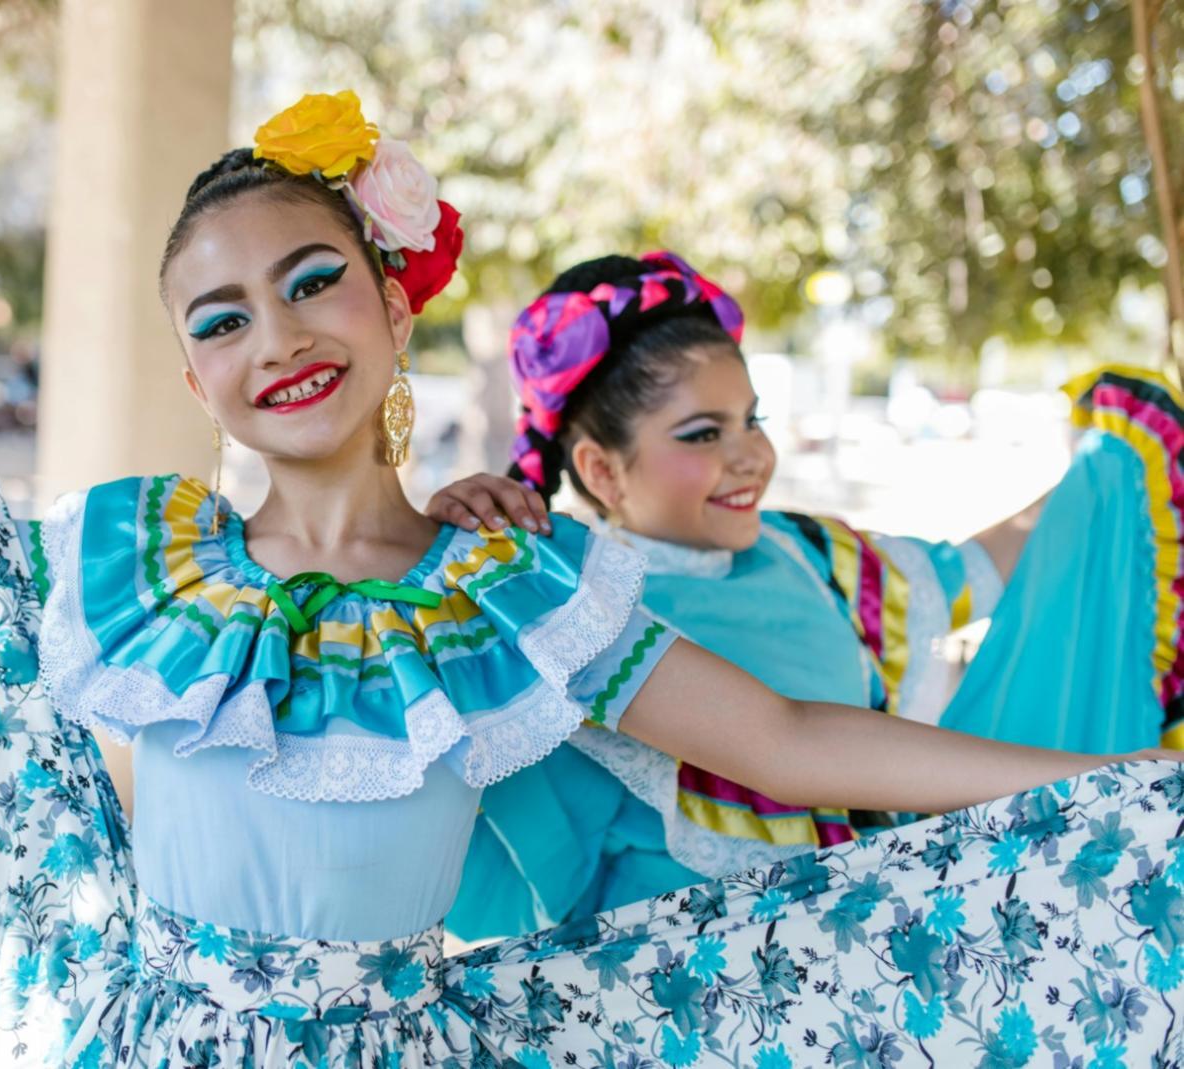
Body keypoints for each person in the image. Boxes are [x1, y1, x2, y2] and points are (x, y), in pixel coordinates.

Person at [0, 100, 1184, 1068]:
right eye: (222, 317)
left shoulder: (501, 590)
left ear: (386, 300)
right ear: (191, 367)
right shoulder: (119, 563)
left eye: (311, 283)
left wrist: (1126, 782)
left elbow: (790, 742)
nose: (277, 339)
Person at [427, 250, 1184, 938]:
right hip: (684, 985)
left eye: (751, 419)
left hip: (869, 948)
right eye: (702, 434)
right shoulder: (564, 604)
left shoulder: (802, 551)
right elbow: (787, 741)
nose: (750, 454)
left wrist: (1126, 467)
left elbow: (973, 569)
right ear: (600, 470)